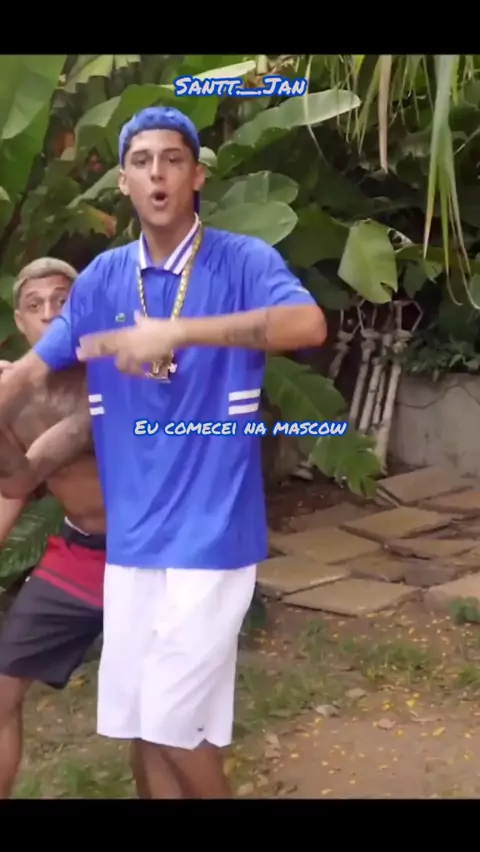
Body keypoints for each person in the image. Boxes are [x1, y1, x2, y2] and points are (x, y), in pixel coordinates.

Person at [0, 106, 327, 799]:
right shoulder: (101, 280)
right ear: (123, 181)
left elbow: (307, 324)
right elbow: (33, 368)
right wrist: (8, 390)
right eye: (142, 161)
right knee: (146, 725)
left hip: (212, 535)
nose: (158, 174)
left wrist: (180, 332)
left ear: (196, 175)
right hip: (133, 544)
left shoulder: (242, 260)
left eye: (173, 160)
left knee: (175, 723)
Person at [0, 257, 106, 798]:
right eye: (34, 306)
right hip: (80, 553)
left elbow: (46, 456)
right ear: (20, 323)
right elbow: (9, 494)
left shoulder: (119, 374)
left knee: (155, 721)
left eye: (62, 302)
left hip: (152, 554)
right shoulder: (14, 400)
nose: (49, 314)